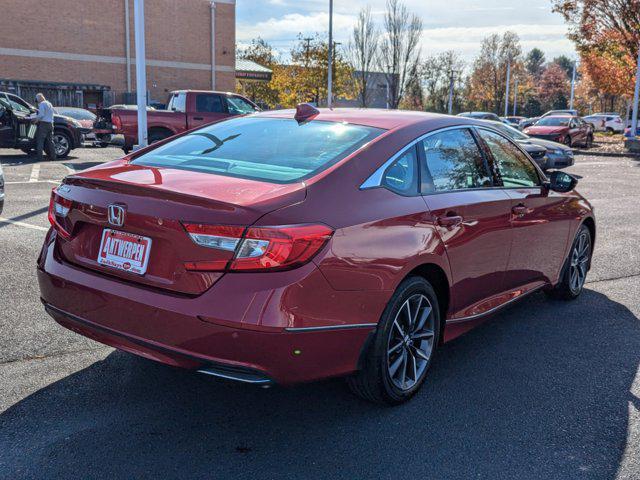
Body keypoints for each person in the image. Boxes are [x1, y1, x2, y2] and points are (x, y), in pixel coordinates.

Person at [31, 93, 56, 161]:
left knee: (40, 141)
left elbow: (41, 115)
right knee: (50, 141)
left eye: (36, 99)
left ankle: (40, 157)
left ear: (39, 98)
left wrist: (35, 120)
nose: (36, 101)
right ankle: (53, 157)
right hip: (51, 124)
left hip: (44, 124)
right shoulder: (49, 103)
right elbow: (51, 113)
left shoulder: (42, 104)